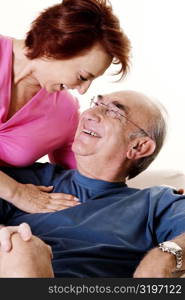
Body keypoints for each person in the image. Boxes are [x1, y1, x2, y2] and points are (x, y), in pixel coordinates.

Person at [1, 90, 184, 278]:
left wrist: (168, 255)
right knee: (24, 248)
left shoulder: (156, 202)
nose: (89, 114)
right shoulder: (27, 182)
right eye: (96, 104)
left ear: (139, 147)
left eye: (113, 111)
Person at [0, 0, 130, 213]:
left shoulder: (65, 112)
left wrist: (152, 201)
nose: (82, 90)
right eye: (82, 77)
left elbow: (86, 176)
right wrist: (17, 192)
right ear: (54, 47)